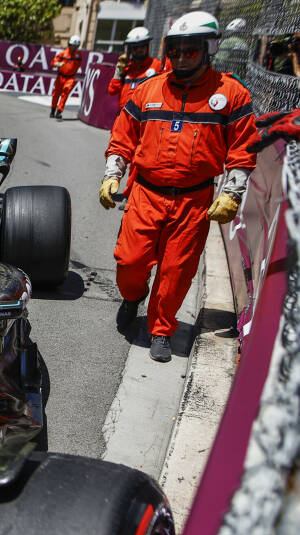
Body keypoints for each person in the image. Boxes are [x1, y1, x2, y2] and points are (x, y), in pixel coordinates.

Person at [99, 10, 257, 363]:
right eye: (176, 50)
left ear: (208, 49)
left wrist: (231, 192)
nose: (182, 57)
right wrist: (113, 174)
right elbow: (122, 138)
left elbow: (243, 150)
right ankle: (132, 296)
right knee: (131, 261)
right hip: (146, 194)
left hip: (194, 201)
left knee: (177, 270)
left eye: (191, 50)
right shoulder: (147, 91)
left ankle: (160, 330)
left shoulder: (231, 94)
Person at [107, 27, 162, 111]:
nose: (138, 50)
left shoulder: (157, 65)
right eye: (135, 48)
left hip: (143, 118)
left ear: (147, 46)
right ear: (130, 49)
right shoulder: (126, 67)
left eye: (142, 46)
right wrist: (118, 72)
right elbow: (112, 90)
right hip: (123, 116)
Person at [50, 35, 82, 121]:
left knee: (65, 93)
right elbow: (53, 62)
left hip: (70, 78)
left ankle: (59, 111)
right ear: (69, 44)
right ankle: (53, 109)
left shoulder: (79, 56)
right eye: (72, 45)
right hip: (60, 77)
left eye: (76, 46)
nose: (74, 48)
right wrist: (57, 64)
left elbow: (77, 65)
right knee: (56, 93)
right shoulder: (62, 54)